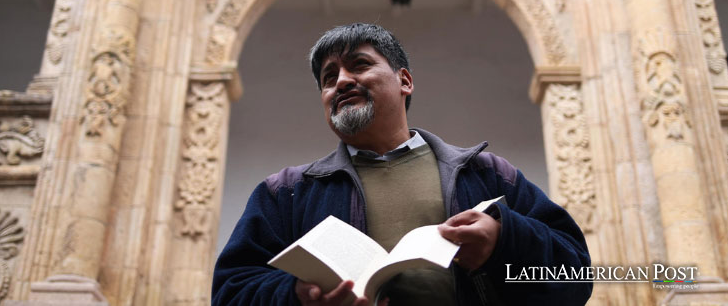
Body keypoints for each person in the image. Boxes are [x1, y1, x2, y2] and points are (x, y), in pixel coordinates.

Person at [212, 23, 591, 305]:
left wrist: (503, 241)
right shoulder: (286, 193)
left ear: (404, 80)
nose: (342, 81)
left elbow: (575, 275)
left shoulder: (489, 174)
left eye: (359, 65)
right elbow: (230, 291)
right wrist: (296, 295)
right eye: (329, 78)